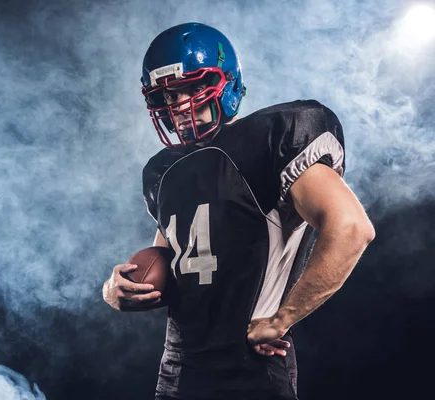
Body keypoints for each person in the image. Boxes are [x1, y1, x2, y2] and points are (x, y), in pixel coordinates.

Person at [102, 22, 375, 400]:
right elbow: (170, 259)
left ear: (227, 83)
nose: (178, 106)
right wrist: (116, 289)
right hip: (178, 372)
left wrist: (283, 318)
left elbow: (351, 228)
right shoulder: (162, 172)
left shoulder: (272, 136)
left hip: (250, 372)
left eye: (192, 87)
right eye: (167, 96)